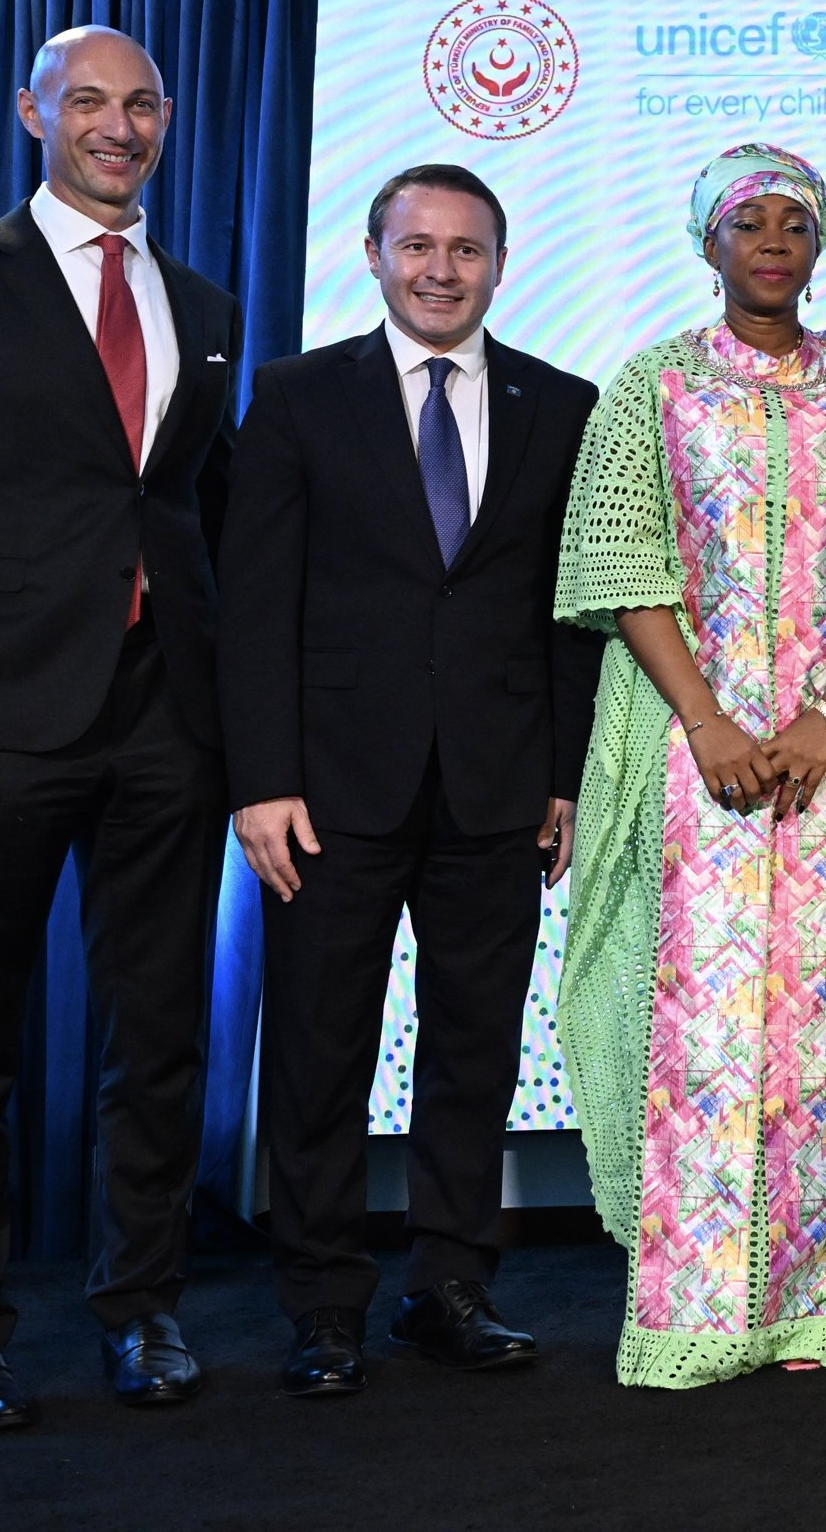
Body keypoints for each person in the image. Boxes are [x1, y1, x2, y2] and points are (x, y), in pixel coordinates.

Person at [0, 26, 241, 1431]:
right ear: (32, 113)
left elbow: (188, 503)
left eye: (141, 102)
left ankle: (139, 1312)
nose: (117, 125)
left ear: (168, 118)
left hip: (164, 717)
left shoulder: (200, 297)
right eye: (88, 100)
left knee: (160, 1034)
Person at [552, 144, 826, 1383]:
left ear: (820, 244)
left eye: (792, 222)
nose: (770, 241)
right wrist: (709, 724)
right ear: (706, 243)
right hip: (698, 746)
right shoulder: (652, 385)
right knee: (699, 1027)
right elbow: (625, 565)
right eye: (745, 221)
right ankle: (699, 1306)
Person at [218, 165, 601, 1395]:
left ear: (501, 259)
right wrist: (260, 779)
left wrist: (562, 775)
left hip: (495, 787)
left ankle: (450, 1285)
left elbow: (570, 617)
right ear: (373, 253)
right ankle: (324, 1303)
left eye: (467, 248)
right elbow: (253, 602)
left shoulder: (563, 403)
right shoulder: (293, 397)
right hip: (326, 792)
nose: (441, 269)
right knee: (323, 1053)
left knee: (473, 1050)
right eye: (417, 245)